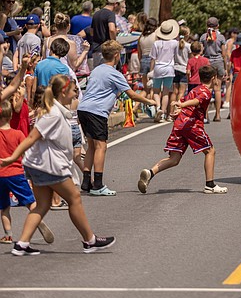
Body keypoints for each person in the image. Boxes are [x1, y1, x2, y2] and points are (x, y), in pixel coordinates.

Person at [3, 75, 115, 255]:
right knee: (74, 199)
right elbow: (32, 138)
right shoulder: (53, 114)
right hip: (49, 166)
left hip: (41, 165)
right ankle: (90, 240)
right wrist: (12, 157)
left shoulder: (55, 111)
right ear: (64, 92)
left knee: (42, 204)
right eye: (73, 90)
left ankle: (21, 244)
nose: (75, 94)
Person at [77, 41, 157, 196]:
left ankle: (86, 181)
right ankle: (98, 185)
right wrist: (149, 101)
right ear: (116, 56)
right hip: (97, 112)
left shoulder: (97, 69)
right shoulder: (114, 73)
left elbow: (109, 90)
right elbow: (132, 94)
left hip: (83, 109)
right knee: (101, 147)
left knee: (92, 146)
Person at [137, 65, 225, 195]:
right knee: (210, 151)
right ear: (214, 78)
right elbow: (196, 101)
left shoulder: (195, 89)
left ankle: (150, 172)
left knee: (174, 158)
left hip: (180, 124)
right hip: (192, 125)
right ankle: (210, 184)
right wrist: (182, 105)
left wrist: (178, 110)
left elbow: (186, 100)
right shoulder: (206, 92)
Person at [0, 100, 54, 246]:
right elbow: (28, 149)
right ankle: (38, 220)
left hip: (0, 175)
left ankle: (8, 235)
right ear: (11, 116)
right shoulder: (17, 134)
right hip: (16, 173)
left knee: (4, 207)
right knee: (30, 201)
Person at [150, 19, 180, 122]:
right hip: (169, 69)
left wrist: (151, 70)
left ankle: (158, 107)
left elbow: (153, 58)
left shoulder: (156, 43)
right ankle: (163, 112)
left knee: (156, 91)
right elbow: (176, 56)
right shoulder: (175, 43)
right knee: (166, 92)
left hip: (158, 67)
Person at [200, 17, 226, 122]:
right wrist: (226, 68)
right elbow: (224, 54)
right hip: (218, 62)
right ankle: (218, 115)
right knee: (217, 89)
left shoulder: (203, 37)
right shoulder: (221, 37)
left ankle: (205, 115)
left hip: (207, 62)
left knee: (207, 89)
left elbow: (201, 51)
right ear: (217, 26)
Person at [89, 0, 119, 68]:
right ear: (115, 4)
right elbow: (111, 29)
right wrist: (114, 42)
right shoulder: (110, 14)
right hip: (107, 51)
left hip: (96, 49)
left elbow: (91, 32)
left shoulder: (96, 14)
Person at [172, 26, 190, 103]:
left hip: (175, 68)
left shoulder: (174, 44)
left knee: (174, 92)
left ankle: (171, 110)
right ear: (187, 35)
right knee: (181, 92)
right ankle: (178, 109)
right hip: (184, 69)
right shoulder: (188, 46)